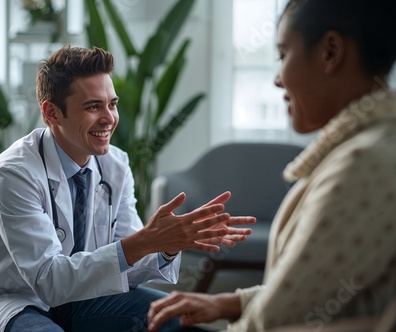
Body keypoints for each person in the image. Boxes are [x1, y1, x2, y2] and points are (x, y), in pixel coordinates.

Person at [0, 45, 256, 331]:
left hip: (76, 299)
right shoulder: (14, 175)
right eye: (93, 107)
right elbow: (49, 281)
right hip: (5, 303)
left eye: (112, 104)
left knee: (169, 315)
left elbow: (124, 270)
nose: (109, 118)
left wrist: (168, 244)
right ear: (51, 113)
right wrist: (142, 242)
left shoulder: (115, 165)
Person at [148, 0, 396, 331]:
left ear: (330, 52)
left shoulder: (361, 165)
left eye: (283, 55)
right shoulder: (375, 145)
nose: (278, 80)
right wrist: (228, 302)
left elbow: (273, 322)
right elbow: (315, 294)